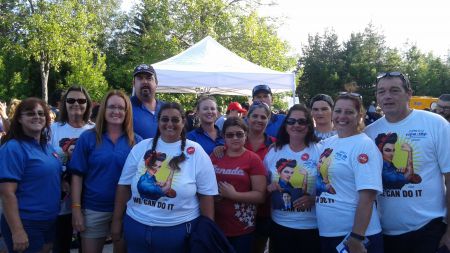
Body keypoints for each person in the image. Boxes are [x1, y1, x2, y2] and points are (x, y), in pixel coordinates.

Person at [111, 102, 218, 253]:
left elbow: (206, 196)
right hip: (136, 229)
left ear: (183, 122)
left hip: (178, 234)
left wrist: (207, 232)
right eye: (165, 119)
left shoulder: (197, 152)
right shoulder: (141, 147)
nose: (169, 124)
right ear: (158, 121)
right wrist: (116, 221)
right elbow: (124, 186)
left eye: (175, 120)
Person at [365, 72, 450, 253]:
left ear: (409, 93)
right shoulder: (369, 133)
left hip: (429, 229)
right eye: (381, 92)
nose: (387, 96)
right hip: (385, 232)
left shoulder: (436, 124)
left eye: (394, 90)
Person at [68, 90, 141, 253]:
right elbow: (77, 176)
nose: (116, 111)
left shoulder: (137, 141)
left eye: (121, 108)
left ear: (127, 112)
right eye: (112, 107)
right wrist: (76, 209)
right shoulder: (88, 138)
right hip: (94, 208)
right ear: (104, 110)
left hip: (126, 211)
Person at [316, 92, 383, 253]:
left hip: (354, 236)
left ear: (360, 115)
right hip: (328, 232)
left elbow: (368, 196)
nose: (342, 116)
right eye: (338, 111)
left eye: (349, 112)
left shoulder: (363, 145)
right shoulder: (328, 143)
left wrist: (356, 237)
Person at [0, 98, 62, 253]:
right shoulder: (13, 148)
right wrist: (17, 231)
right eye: (30, 113)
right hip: (26, 222)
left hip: (49, 220)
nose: (37, 116)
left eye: (41, 113)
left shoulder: (47, 147)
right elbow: (7, 193)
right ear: (19, 118)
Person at [264, 104, 321, 253]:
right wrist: (269, 187)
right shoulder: (274, 151)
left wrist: (313, 199)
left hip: (312, 227)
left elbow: (332, 187)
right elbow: (263, 183)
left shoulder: (320, 150)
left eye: (301, 121)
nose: (296, 125)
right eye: (291, 121)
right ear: (286, 125)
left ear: (309, 125)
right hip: (280, 226)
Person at [210, 117, 266, 253]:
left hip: (242, 228)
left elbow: (260, 196)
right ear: (223, 137)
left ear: (246, 135)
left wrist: (234, 195)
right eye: (230, 135)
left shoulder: (253, 159)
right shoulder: (215, 156)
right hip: (217, 226)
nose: (235, 138)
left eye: (239, 134)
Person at [50, 85, 94, 253]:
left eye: (81, 100)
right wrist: (60, 179)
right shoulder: (53, 129)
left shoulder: (94, 130)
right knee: (60, 245)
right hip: (60, 200)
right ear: (64, 103)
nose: (76, 104)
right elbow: (46, 159)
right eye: (71, 100)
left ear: (87, 104)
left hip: (87, 198)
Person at [130, 64, 165, 139]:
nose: (144, 82)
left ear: (156, 83)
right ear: (133, 84)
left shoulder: (166, 108)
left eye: (149, 78)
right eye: (140, 78)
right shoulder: (125, 106)